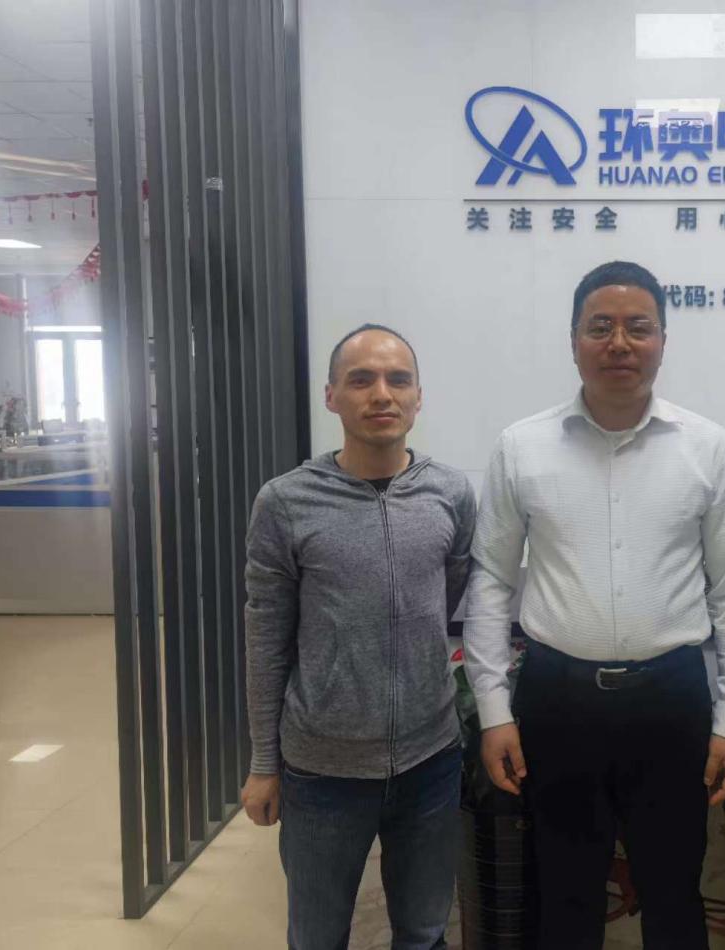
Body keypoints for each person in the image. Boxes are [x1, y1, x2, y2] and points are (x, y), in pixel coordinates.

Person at [462, 260, 725, 950]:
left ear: (662, 341)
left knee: (674, 894)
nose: (619, 343)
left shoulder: (709, 449)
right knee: (565, 897)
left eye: (638, 327)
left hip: (671, 699)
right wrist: (494, 711)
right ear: (573, 341)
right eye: (600, 327)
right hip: (556, 700)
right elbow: (490, 583)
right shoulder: (522, 447)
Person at [241, 324, 476, 950]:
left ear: (419, 396)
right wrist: (264, 764)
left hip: (430, 761)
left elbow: (447, 596)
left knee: (424, 932)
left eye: (398, 380)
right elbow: (266, 640)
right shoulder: (285, 502)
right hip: (322, 771)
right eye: (361, 380)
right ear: (331, 396)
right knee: (317, 937)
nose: (381, 394)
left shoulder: (451, 493)